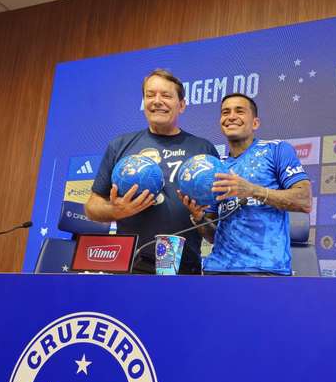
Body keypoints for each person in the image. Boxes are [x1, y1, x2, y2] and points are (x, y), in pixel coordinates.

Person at [85, 69, 219, 274]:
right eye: (150, 95)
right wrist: (116, 211)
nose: (157, 101)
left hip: (183, 267)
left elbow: (214, 228)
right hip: (129, 265)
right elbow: (91, 208)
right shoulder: (120, 145)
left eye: (166, 95)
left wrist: (199, 218)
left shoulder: (203, 149)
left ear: (182, 105)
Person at [180, 93, 311, 275]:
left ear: (255, 123)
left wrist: (251, 190)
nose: (231, 116)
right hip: (217, 270)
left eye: (239, 111)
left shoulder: (276, 150)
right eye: (225, 112)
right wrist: (199, 217)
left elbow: (304, 200)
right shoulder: (216, 167)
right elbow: (212, 236)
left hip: (264, 271)